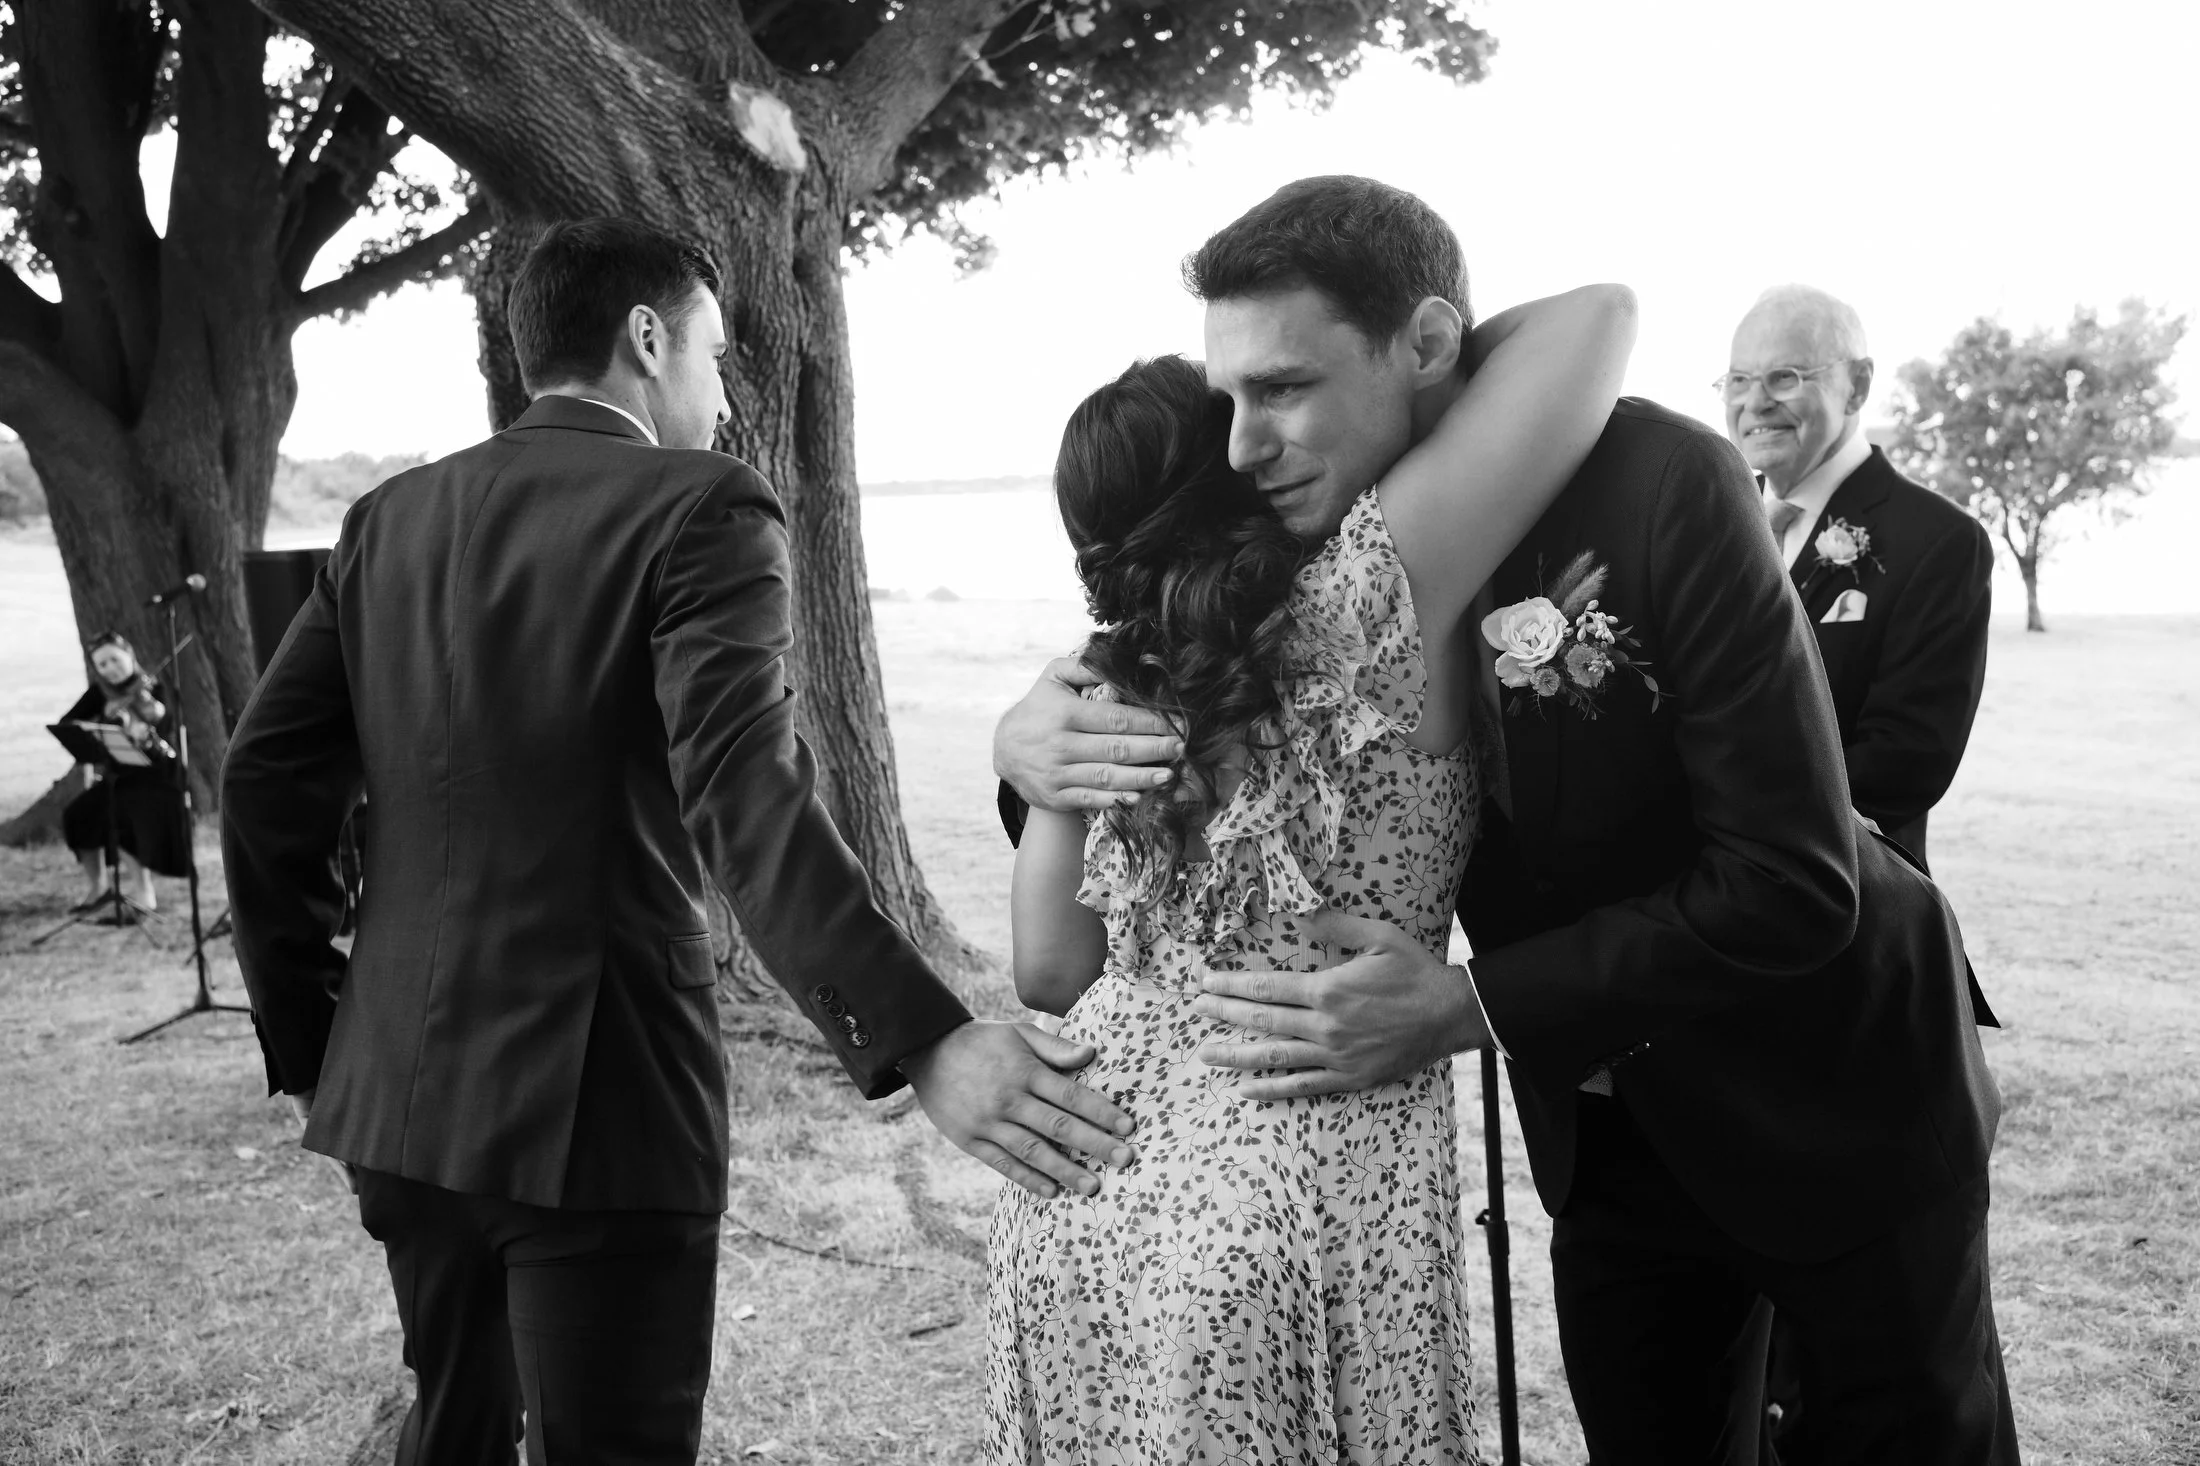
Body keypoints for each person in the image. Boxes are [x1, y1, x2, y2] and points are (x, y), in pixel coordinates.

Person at [996, 177, 2019, 1464]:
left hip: (1828, 1081)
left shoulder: (1657, 477)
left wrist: (1472, 1006)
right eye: (1228, 400)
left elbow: (1795, 876)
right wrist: (1028, 746)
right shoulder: (1308, 548)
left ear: (1428, 346)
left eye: (1286, 387)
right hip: (1606, 1123)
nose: (1242, 446)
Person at [222, 217, 1135, 1466]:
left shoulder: (388, 516)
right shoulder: (699, 505)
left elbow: (266, 778)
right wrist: (921, 1038)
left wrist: (326, 1038)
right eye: (713, 351)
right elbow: (742, 796)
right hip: (596, 1105)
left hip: (396, 1100)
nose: (721, 394)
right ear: (647, 338)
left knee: (456, 1434)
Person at [990, 259, 1634, 1461]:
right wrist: (1410, 359)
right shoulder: (1370, 598)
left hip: (1083, 1183)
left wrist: (1030, 758)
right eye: (1234, 411)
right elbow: (1596, 317)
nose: (1258, 433)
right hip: (1299, 1170)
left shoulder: (1097, 686)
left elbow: (1047, 969)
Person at [1725, 283, 1995, 871]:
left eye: (1786, 377)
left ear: (1860, 386)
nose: (1755, 403)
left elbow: (1908, 759)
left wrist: (1732, 827)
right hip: (1690, 897)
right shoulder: (1714, 522)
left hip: (1841, 894)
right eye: (1739, 380)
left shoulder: (1939, 541)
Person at [59, 631, 188, 914]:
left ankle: (145, 895)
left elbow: (167, 732)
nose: (110, 669)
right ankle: (99, 887)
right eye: (102, 665)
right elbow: (68, 724)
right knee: (76, 815)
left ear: (130, 655)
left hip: (157, 778)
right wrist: (98, 730)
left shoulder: (155, 689)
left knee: (124, 815)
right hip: (120, 777)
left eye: (115, 660)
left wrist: (144, 733)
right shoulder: (100, 693)